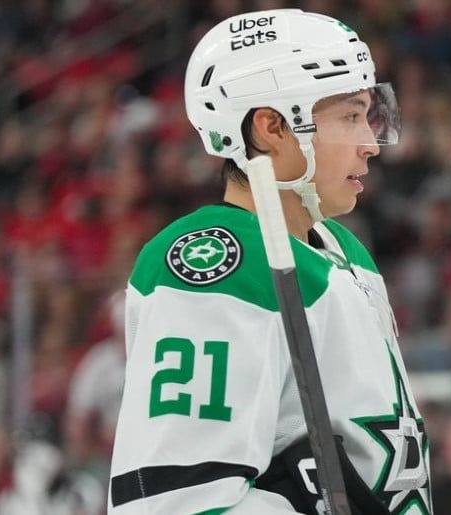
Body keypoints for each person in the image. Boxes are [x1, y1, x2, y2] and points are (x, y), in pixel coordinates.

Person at [108, 9, 431, 514]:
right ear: (272, 127)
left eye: (370, 115)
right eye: (349, 116)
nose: (369, 144)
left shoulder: (346, 251)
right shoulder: (216, 261)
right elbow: (179, 502)